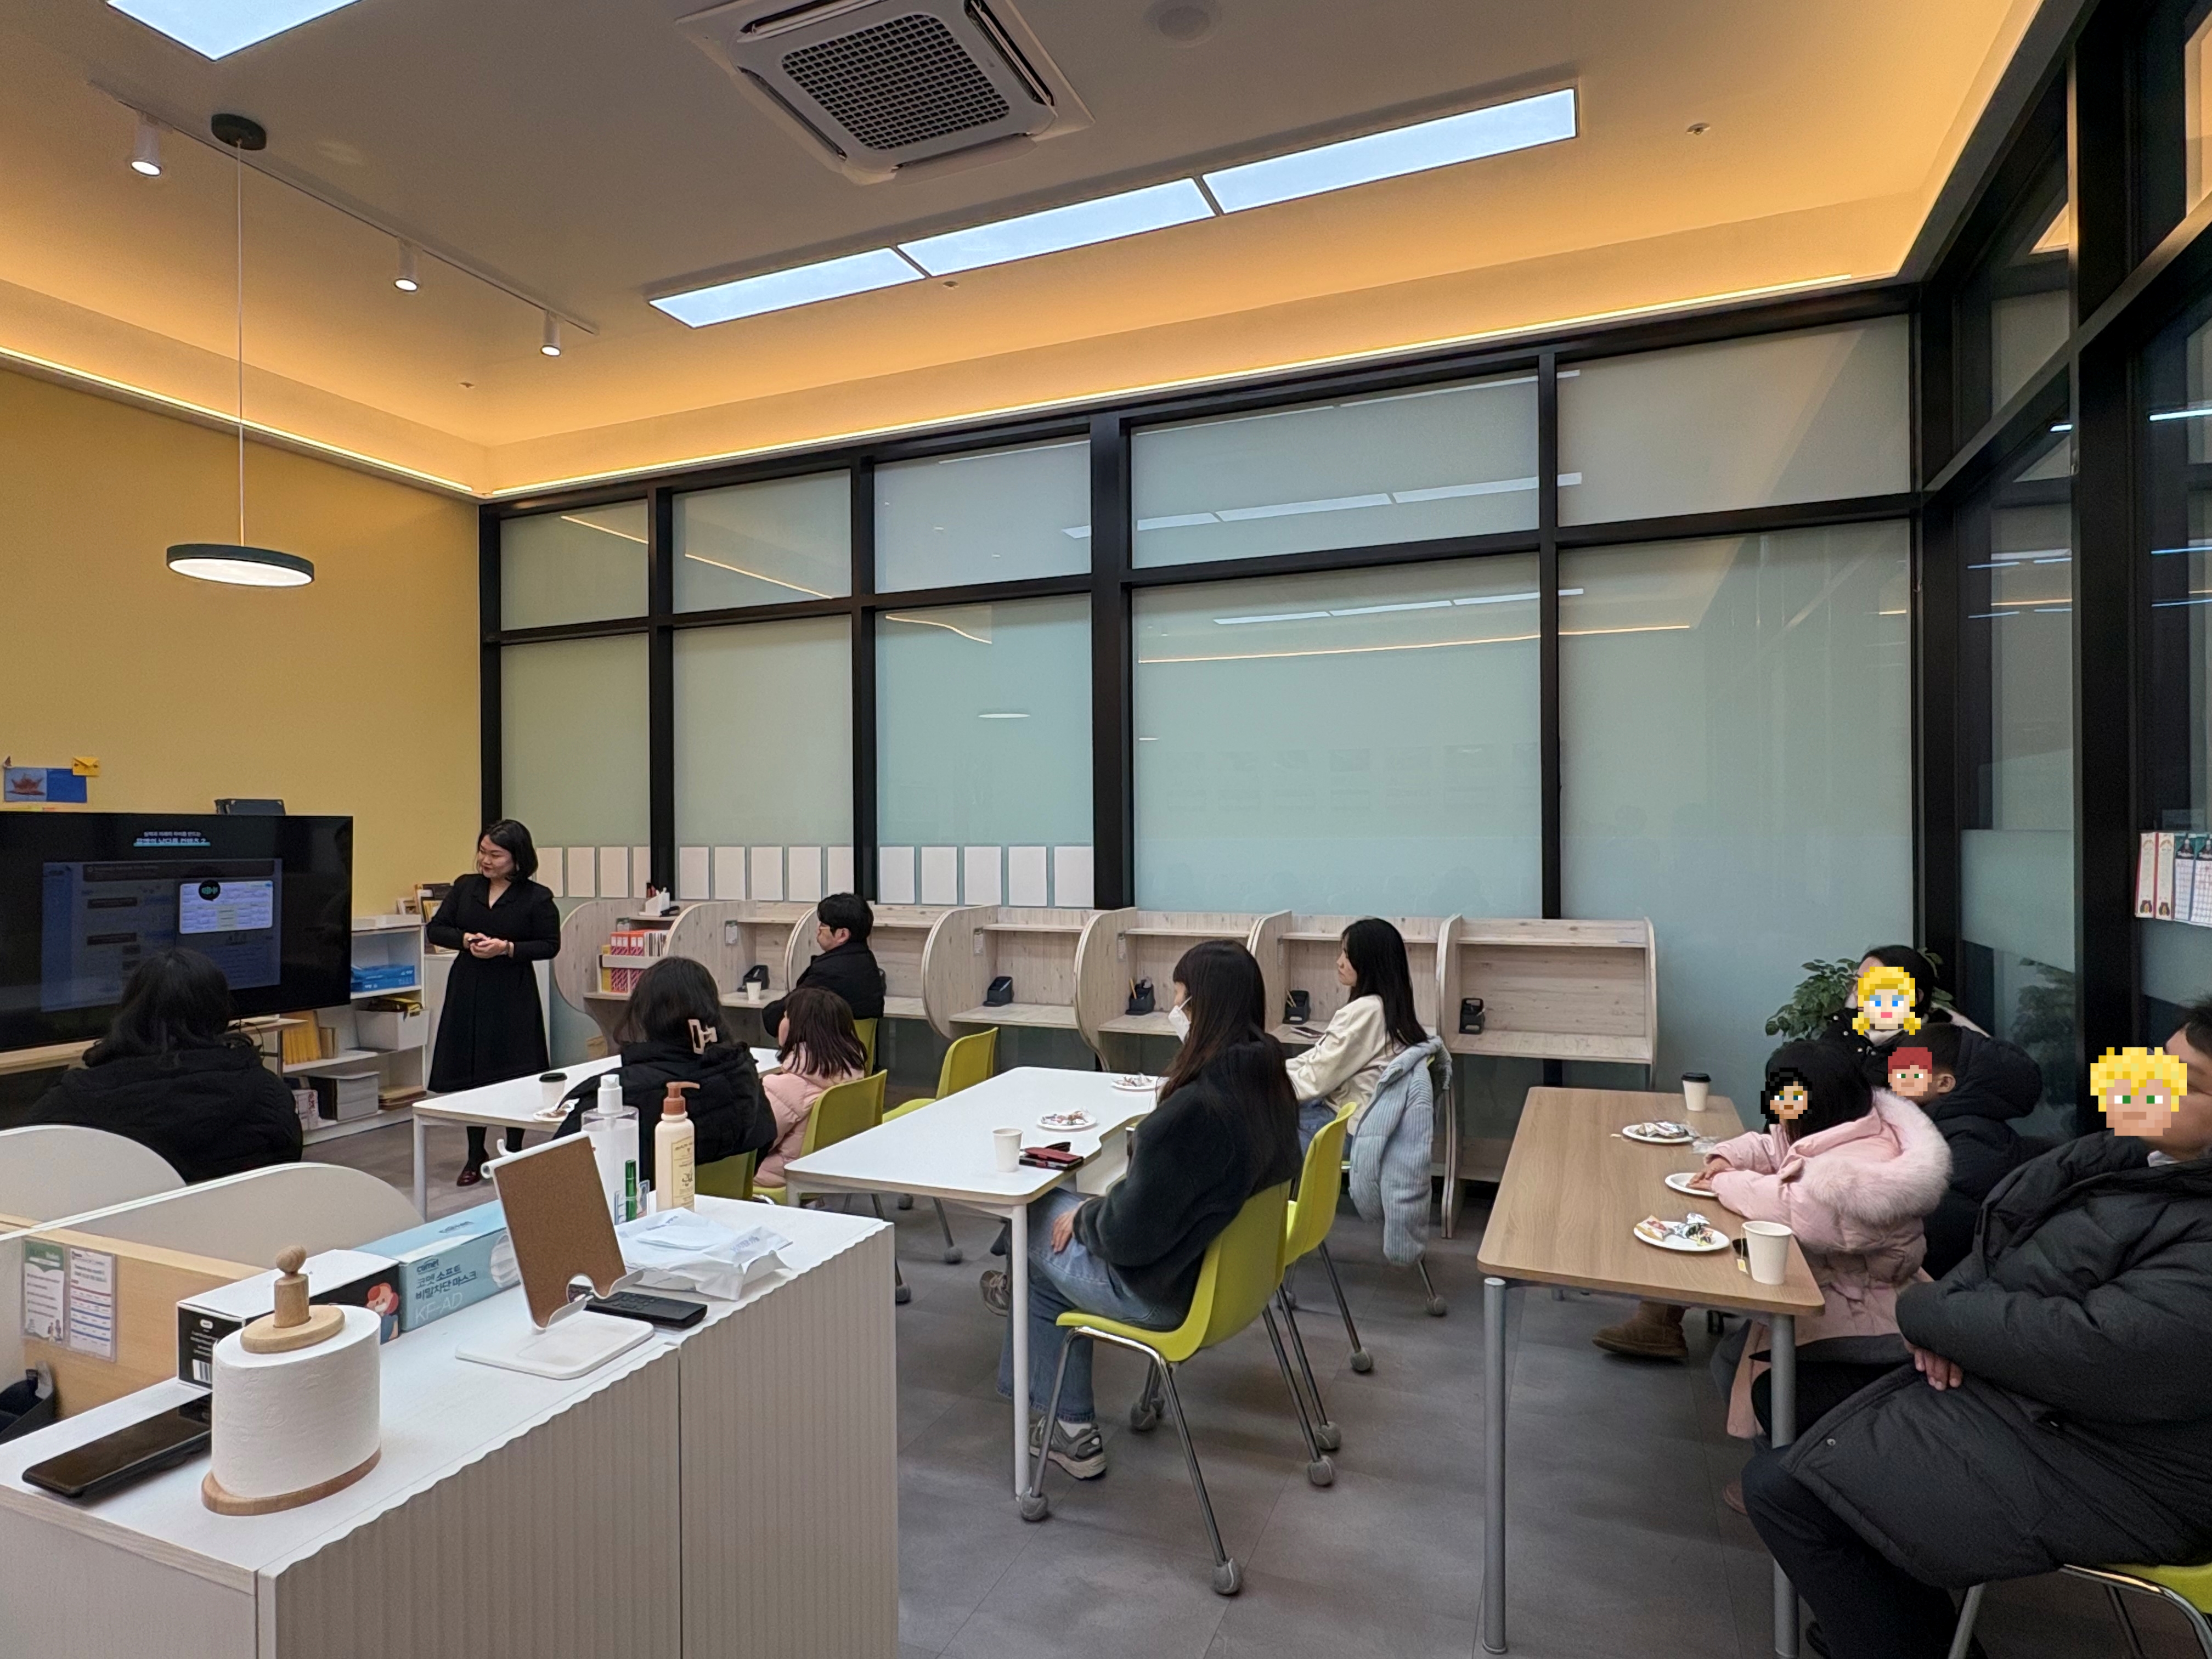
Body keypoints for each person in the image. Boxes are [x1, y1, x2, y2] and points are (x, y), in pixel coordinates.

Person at [1741, 997, 2212, 1659]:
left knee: (1786, 1492)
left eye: (2187, 1081)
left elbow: (2107, 1352)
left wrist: (1936, 1319)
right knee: (1792, 1395)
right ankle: (1890, 1616)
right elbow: (1993, 1247)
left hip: (2127, 1463)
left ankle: (1900, 1634)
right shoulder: (2126, 1158)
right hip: (2035, 1395)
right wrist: (1947, 1326)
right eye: (2160, 1061)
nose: (2149, 1082)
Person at [992, 940, 1300, 1481]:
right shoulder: (1268, 1081)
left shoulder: (1195, 1111)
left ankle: (1070, 1429)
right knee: (1064, 1217)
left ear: (1203, 1008)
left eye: (1180, 998)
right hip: (1231, 1283)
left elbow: (1129, 1236)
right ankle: (1012, 1290)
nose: (1173, 1010)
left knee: (1031, 1217)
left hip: (1162, 1291)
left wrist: (1088, 1219)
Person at [1693, 1041, 1948, 1510]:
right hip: (1842, 1288)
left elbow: (1793, 1207)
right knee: (1733, 1360)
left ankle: (1788, 1487)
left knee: (1753, 1372)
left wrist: (1724, 1182)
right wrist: (1727, 1157)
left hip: (1870, 1312)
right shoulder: (1846, 1124)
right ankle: (1781, 1471)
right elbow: (1776, 1144)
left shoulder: (1863, 1173)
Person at [1827, 945, 2044, 1277]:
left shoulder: (1970, 1142)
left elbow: (1935, 1234)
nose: (1860, 994)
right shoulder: (1929, 1116)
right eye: (1859, 982)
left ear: (1944, 1083)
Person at [25, 948, 302, 1184]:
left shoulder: (72, 1099)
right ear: (219, 1011)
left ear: (130, 1009)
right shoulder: (267, 1093)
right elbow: (289, 1167)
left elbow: (21, 1161)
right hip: (238, 1227)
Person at [554, 956, 776, 1198]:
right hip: (725, 1211)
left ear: (645, 1014)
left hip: (641, 1216)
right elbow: (765, 1139)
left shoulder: (623, 1097)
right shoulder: (741, 1074)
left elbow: (549, 1178)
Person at [425, 821, 562, 1186]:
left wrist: (507, 948)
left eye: (495, 855)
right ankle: (475, 1155)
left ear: (517, 859)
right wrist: (466, 939)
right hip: (468, 986)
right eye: (483, 852)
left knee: (515, 1070)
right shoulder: (465, 887)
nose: (486, 860)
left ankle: (514, 1151)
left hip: (512, 990)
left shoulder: (537, 897)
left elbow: (550, 945)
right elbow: (436, 928)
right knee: (474, 1073)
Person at [1285, 917, 1428, 1137]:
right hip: (1352, 1113)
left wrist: (1263, 1084)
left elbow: (1317, 1080)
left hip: (1344, 1124)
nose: (1339, 962)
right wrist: (1273, 1070)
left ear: (1370, 963)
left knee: (1256, 1125)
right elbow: (1319, 1060)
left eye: (1347, 955)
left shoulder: (1366, 1012)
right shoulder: (1390, 1007)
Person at [757, 986, 867, 1188]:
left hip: (780, 1174)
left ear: (799, 1028)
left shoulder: (785, 1088)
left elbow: (754, 1145)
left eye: (786, 1016)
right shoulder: (853, 1074)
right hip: (830, 1165)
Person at [760, 893, 884, 1035]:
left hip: (831, 1048)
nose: (818, 929)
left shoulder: (830, 972)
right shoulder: (866, 962)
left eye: (823, 925)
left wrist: (768, 1012)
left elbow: (778, 1017)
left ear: (843, 935)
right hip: (854, 1048)